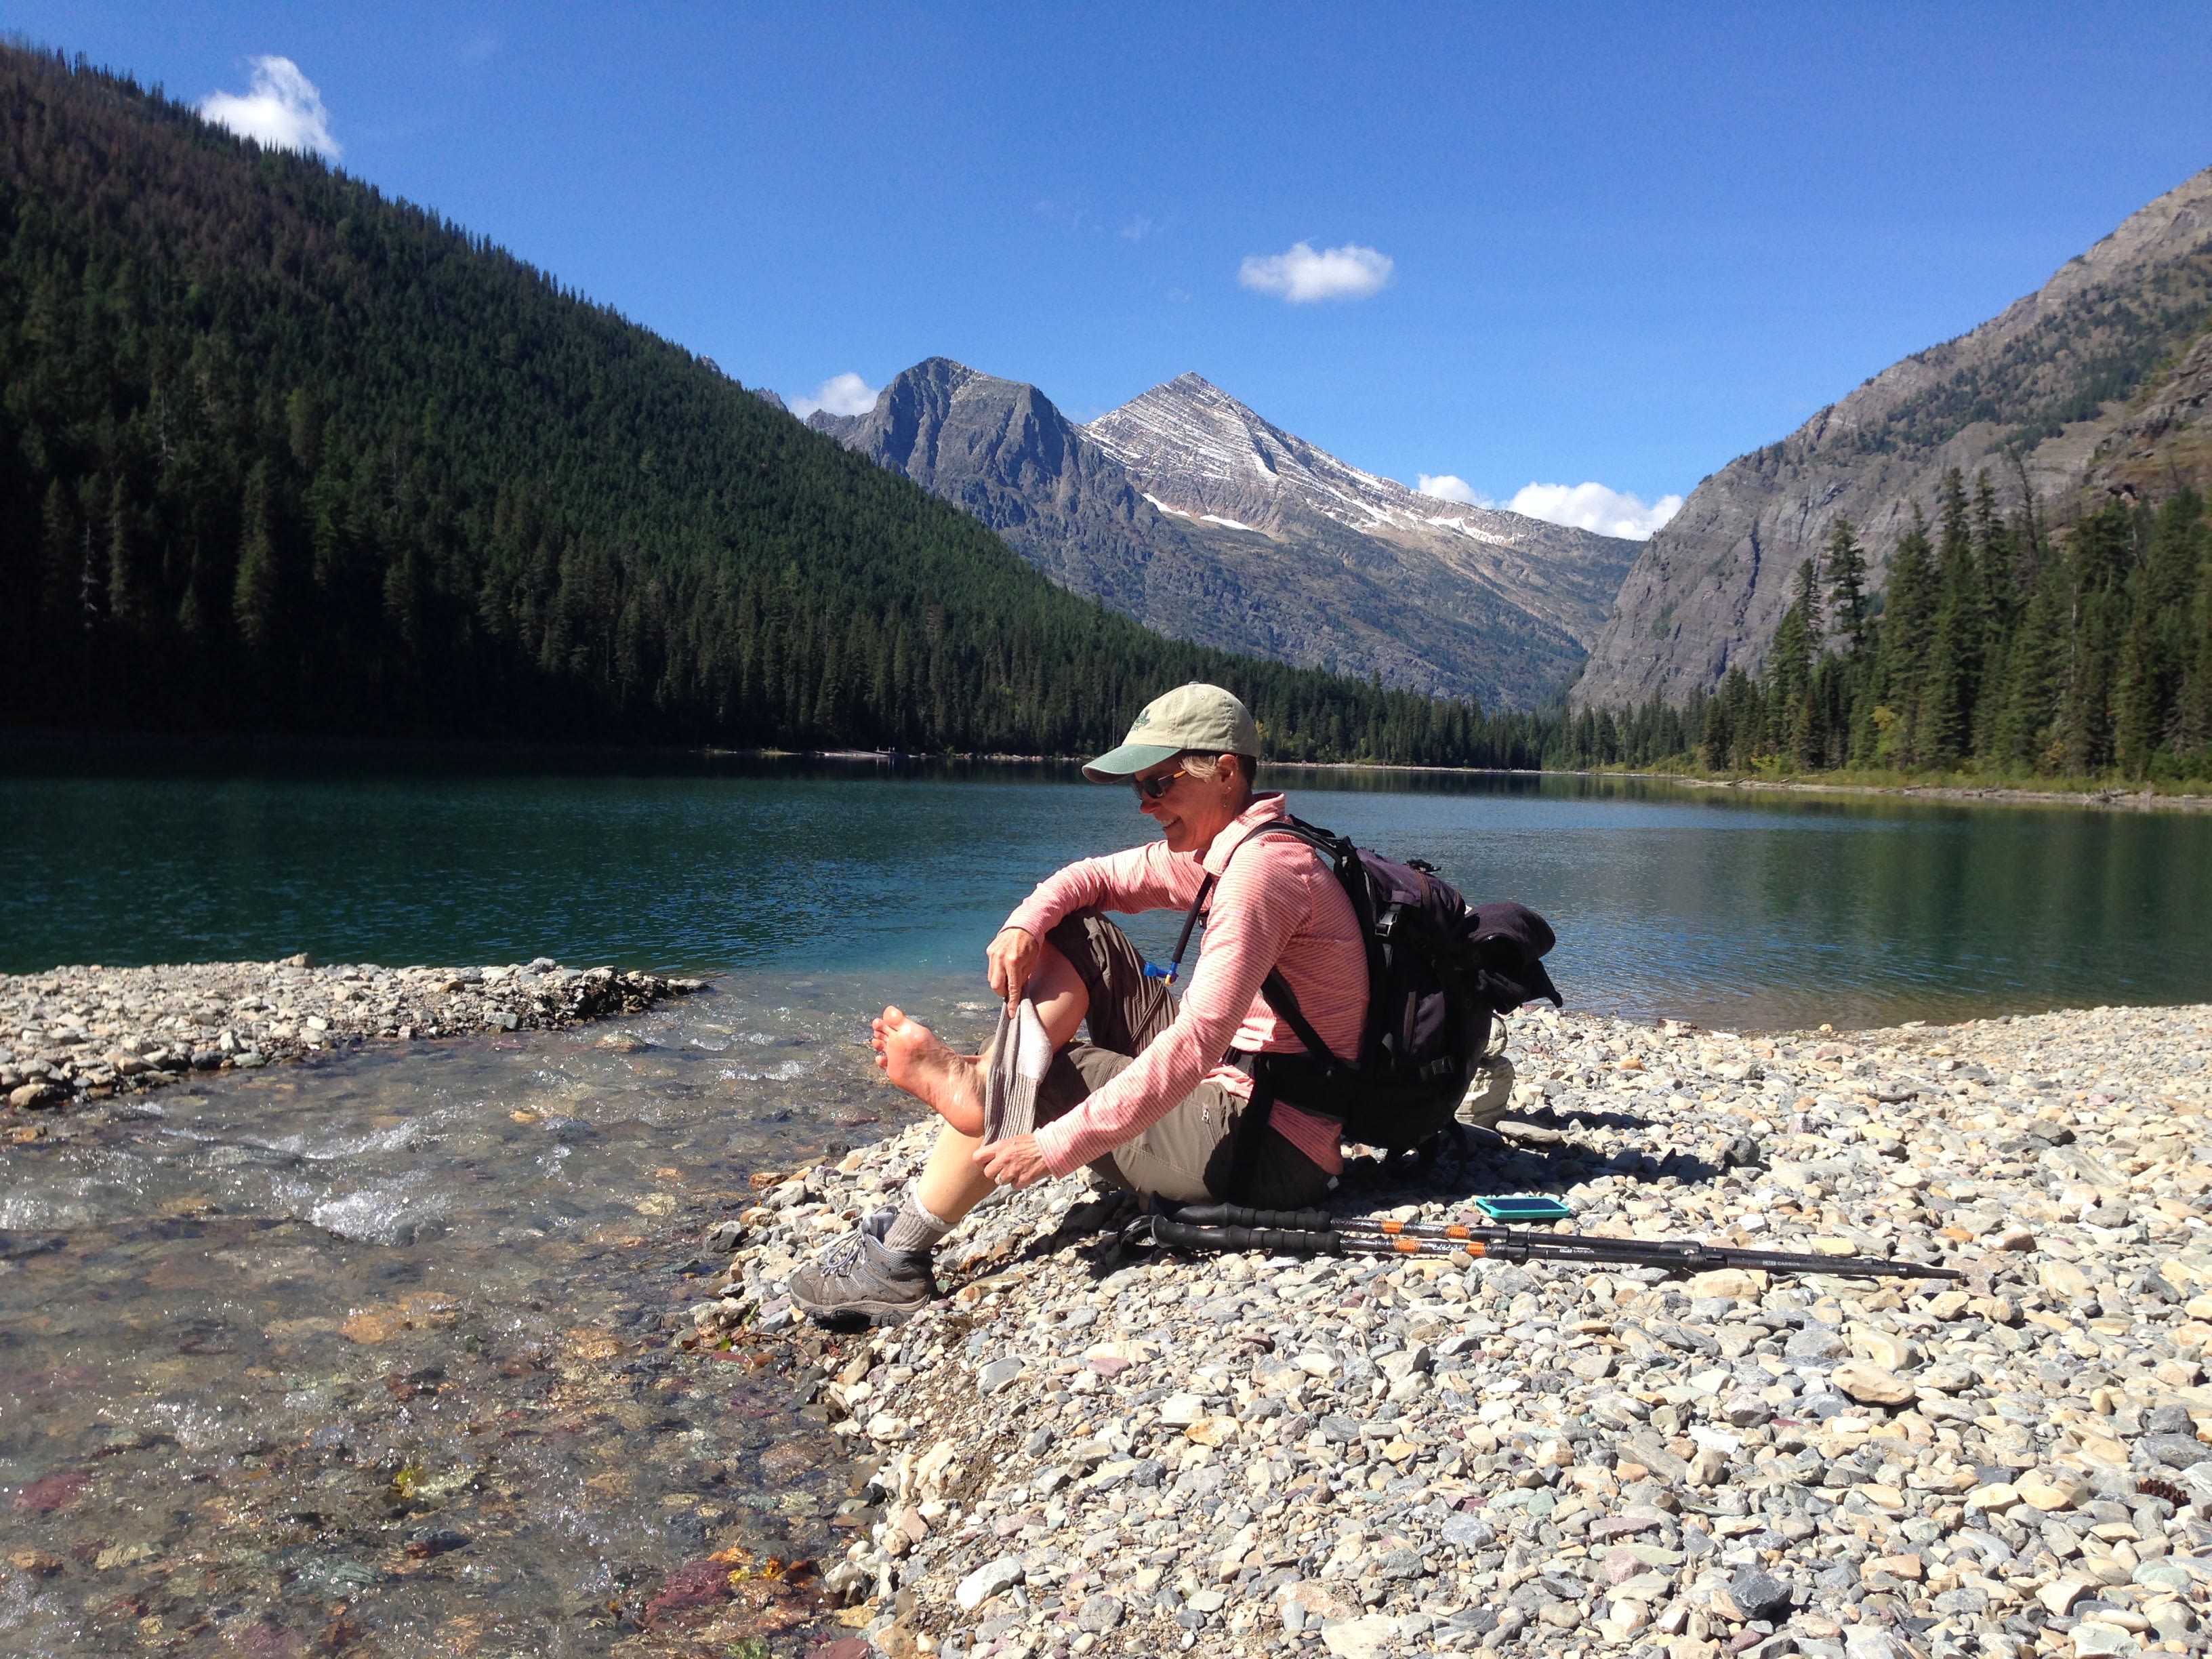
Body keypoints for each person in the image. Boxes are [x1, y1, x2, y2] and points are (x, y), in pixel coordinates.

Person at [789, 682, 1370, 1324]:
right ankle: (986, 1084)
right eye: (1138, 788)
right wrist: (1022, 925)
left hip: (1271, 1150)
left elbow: (1195, 1042)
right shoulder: (1227, 852)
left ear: (1226, 773)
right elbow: (1091, 878)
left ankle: (899, 1257)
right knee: (1074, 928)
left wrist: (1056, 1144)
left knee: (1039, 1075)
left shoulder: (1262, 876)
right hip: (1244, 1088)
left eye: (1160, 784)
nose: (1146, 805)